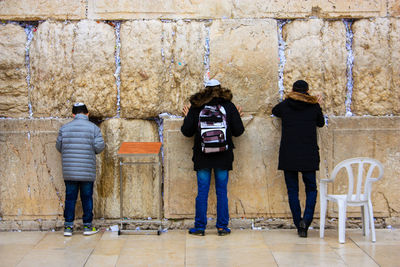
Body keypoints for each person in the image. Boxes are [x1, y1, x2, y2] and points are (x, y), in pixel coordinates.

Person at [181, 79, 244, 236]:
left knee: (202, 191)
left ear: (205, 90)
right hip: (223, 156)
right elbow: (239, 131)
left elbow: (186, 131)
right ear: (220, 89)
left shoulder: (197, 106)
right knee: (222, 191)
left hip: (202, 156)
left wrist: (188, 115)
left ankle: (200, 227)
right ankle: (222, 227)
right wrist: (236, 116)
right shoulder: (228, 106)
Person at [272, 80, 325, 238]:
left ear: (293, 90)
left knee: (292, 190)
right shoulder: (313, 106)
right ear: (307, 91)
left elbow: (275, 110)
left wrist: (288, 97)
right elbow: (321, 123)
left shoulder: (286, 105)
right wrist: (317, 103)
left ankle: (298, 223)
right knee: (311, 189)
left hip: (290, 154)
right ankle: (306, 221)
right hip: (308, 154)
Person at [56, 103, 105, 236]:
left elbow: (59, 147)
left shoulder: (64, 129)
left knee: (70, 198)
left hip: (70, 171)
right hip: (87, 171)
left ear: (73, 114)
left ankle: (68, 227)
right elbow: (99, 147)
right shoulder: (94, 128)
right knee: (87, 198)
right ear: (87, 113)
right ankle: (88, 227)